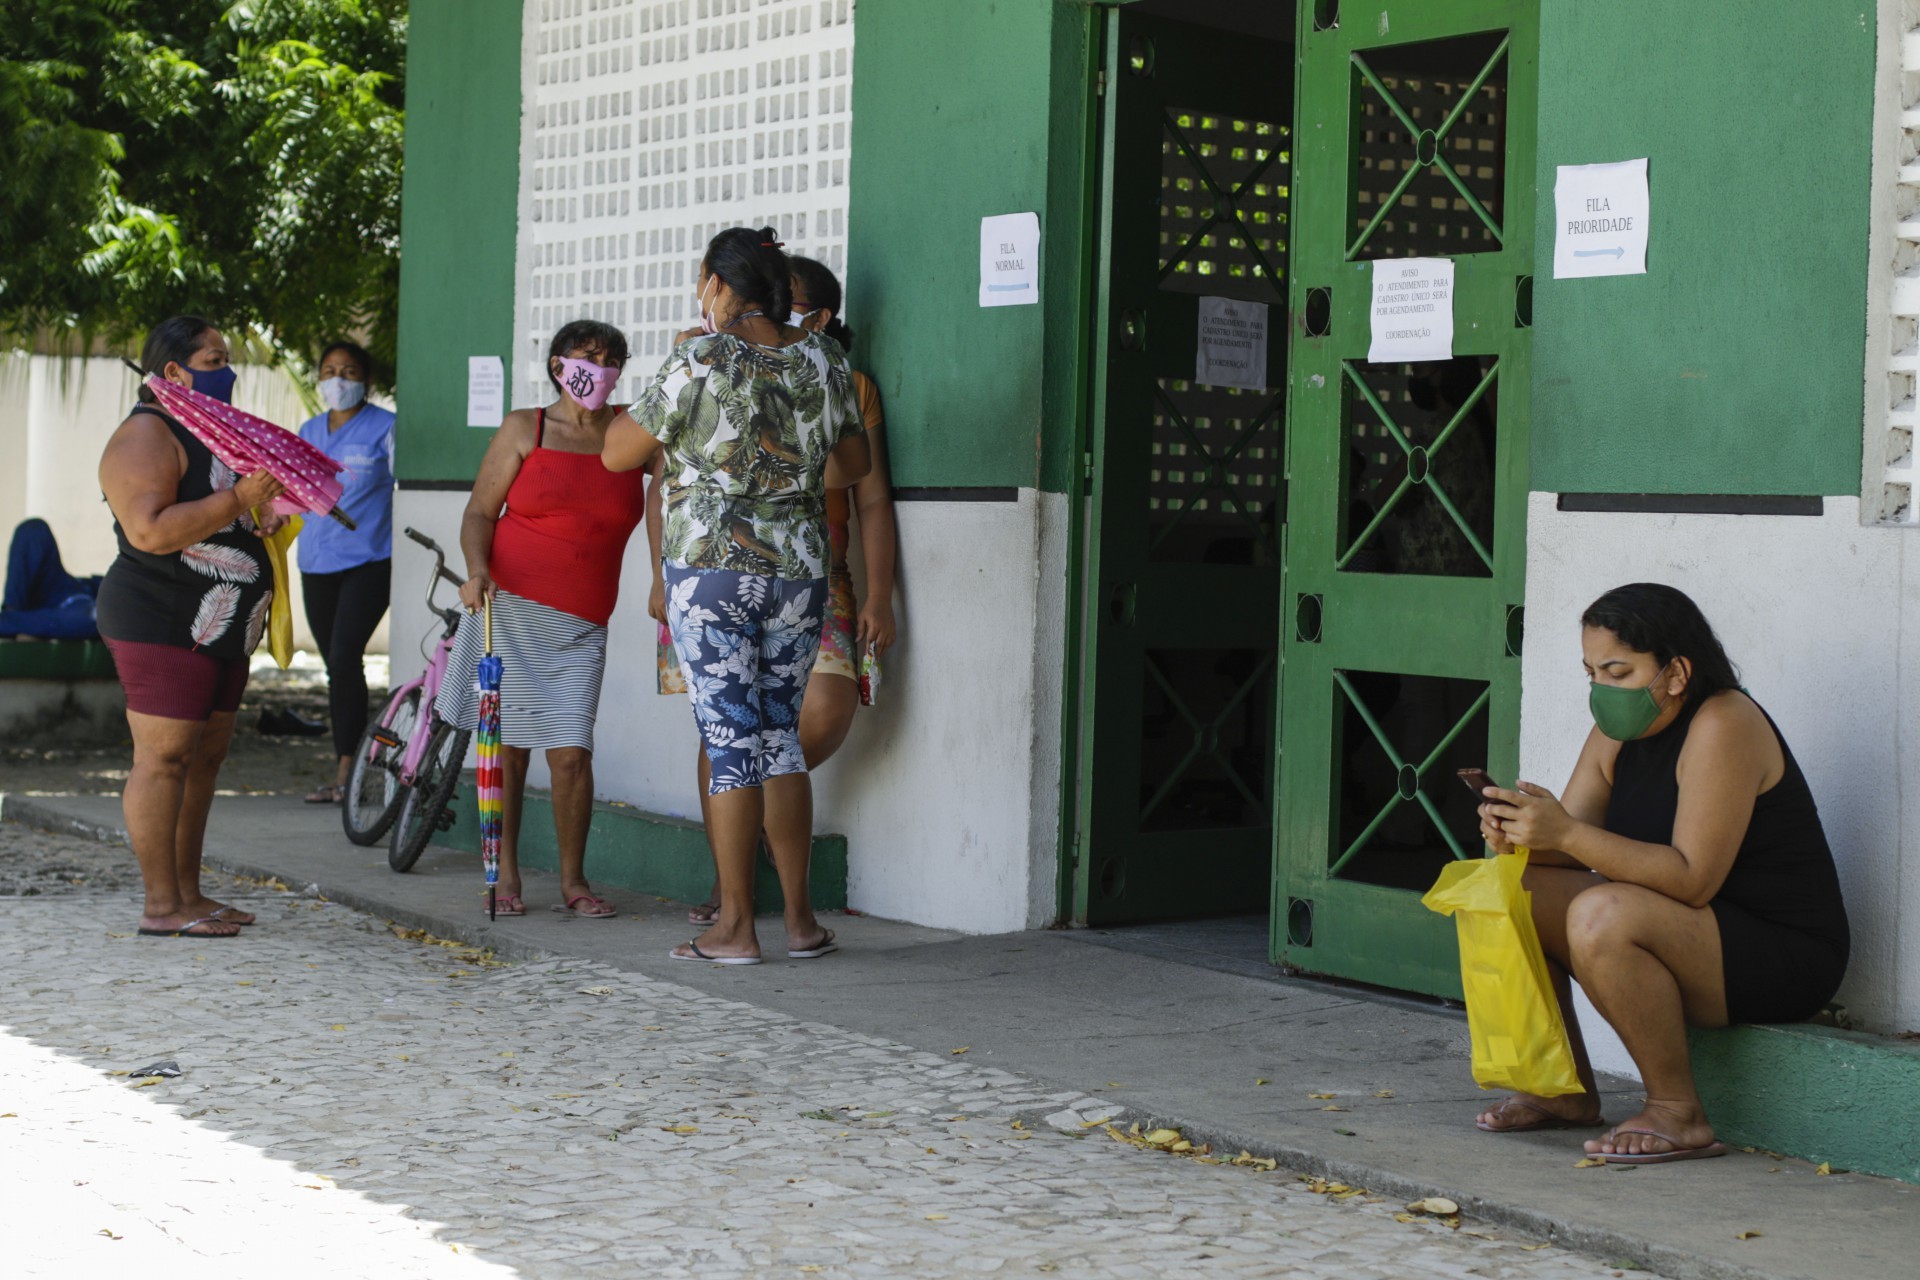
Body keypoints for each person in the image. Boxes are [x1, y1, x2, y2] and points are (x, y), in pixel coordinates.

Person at [1473, 583, 1849, 1163]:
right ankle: (1562, 1087)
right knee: (1511, 889)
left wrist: (1565, 832)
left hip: (1779, 951)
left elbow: (1693, 878)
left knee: (1601, 913)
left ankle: (1679, 1111)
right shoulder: (1615, 734)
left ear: (1675, 673)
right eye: (1591, 672)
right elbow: (1571, 851)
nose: (1601, 689)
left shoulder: (1725, 721)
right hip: (1693, 933)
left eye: (1619, 671)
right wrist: (1523, 837)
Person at [606, 226, 870, 964]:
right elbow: (852, 465)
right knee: (779, 739)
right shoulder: (823, 356)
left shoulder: (699, 356)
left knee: (730, 743)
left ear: (720, 284)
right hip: (800, 572)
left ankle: (734, 928)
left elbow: (617, 452)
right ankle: (800, 924)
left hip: (712, 571)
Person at [657, 255, 898, 926]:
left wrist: (879, 595)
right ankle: (747, 900)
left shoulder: (833, 377)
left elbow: (866, 490)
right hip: (745, 566)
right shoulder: (715, 362)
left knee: (764, 734)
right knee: (753, 739)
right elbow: (657, 475)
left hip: (782, 567)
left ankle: (746, 907)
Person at [437, 319, 646, 919]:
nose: (596, 369)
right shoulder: (524, 427)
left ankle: (574, 882)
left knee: (571, 753)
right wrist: (476, 569)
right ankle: (503, 877)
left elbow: (677, 486)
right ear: (558, 364)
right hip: (509, 610)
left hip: (582, 622)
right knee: (508, 751)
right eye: (585, 356)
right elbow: (480, 511)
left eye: (610, 360)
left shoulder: (631, 435)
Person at [96, 316, 288, 938]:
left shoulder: (211, 431)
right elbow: (150, 530)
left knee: (204, 758)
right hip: (164, 616)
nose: (227, 371)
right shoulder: (145, 434)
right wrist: (237, 500)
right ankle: (161, 907)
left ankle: (189, 893)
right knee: (165, 757)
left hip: (227, 623)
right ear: (173, 372)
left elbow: (215, 511)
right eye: (214, 359)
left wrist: (258, 515)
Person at [296, 340, 396, 804]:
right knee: (337, 670)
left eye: (350, 371)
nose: (339, 380)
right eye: (330, 370)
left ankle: (348, 773)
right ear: (318, 378)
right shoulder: (308, 430)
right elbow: (293, 493)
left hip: (370, 561)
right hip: (316, 562)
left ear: (366, 382)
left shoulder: (386, 428)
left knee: (343, 658)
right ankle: (348, 768)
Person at [0, 518, 101, 639]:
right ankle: (11, 616)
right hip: (66, 589)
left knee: (91, 617)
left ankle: (9, 622)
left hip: (78, 609)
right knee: (34, 528)